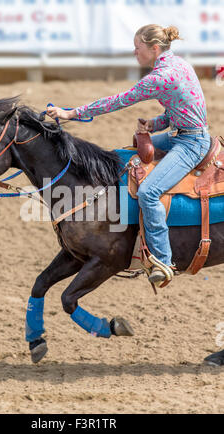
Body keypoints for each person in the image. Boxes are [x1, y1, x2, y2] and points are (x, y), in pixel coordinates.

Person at [46, 24, 211, 285]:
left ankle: (163, 259)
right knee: (126, 157)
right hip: (183, 133)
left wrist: (71, 113)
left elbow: (118, 101)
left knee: (149, 192)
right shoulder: (179, 64)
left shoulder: (160, 77)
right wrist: (154, 125)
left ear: (154, 49)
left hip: (191, 143)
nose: (135, 52)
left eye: (138, 47)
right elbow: (178, 111)